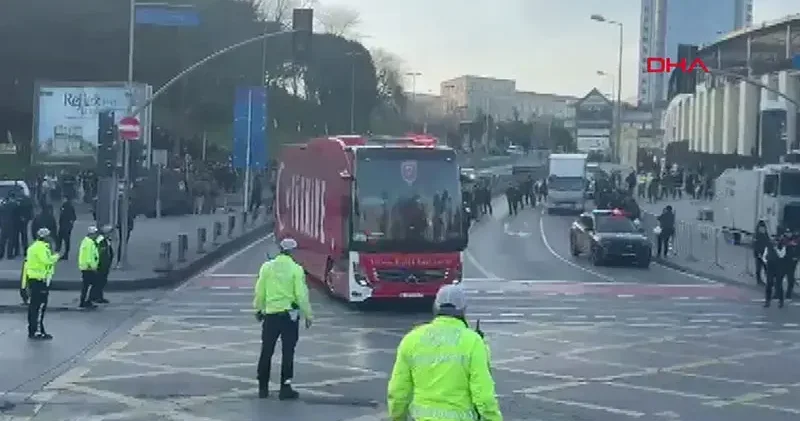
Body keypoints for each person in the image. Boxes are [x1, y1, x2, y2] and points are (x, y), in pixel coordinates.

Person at [387, 284, 503, 421]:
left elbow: (398, 391)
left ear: (435, 307)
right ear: (463, 310)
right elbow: (484, 396)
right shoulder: (473, 342)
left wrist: (397, 417)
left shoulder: (411, 339)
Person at [253, 238, 313, 400]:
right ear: (293, 251)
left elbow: (260, 292)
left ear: (280, 249)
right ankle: (285, 388)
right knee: (288, 352)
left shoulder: (267, 267)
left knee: (266, 351)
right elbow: (301, 295)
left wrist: (258, 309)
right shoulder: (296, 269)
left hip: (270, 316)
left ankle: (262, 388)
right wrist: (308, 315)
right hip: (289, 317)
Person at [24, 228, 60, 340]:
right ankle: (37, 331)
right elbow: (46, 261)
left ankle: (33, 329)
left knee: (34, 306)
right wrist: (56, 257)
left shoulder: (33, 246)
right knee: (39, 306)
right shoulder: (41, 248)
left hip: (34, 279)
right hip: (40, 280)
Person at [77, 226, 100, 309]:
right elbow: (89, 256)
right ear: (91, 234)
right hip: (88, 268)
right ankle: (86, 301)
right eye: (95, 234)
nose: (96, 235)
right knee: (90, 285)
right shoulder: (89, 243)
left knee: (87, 285)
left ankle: (85, 301)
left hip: (86, 267)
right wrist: (93, 267)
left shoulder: (86, 241)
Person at [90, 225, 114, 304]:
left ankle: (97, 296)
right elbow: (100, 253)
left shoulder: (106, 240)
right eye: (110, 232)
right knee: (99, 281)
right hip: (101, 265)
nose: (111, 234)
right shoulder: (101, 240)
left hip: (105, 264)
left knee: (101, 281)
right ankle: (95, 297)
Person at [762, 234, 786, 308]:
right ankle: (767, 301)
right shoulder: (768, 246)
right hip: (770, 266)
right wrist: (766, 261)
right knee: (769, 284)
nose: (773, 241)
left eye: (775, 240)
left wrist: (776, 249)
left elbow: (782, 255)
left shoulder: (782, 246)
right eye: (772, 240)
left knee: (778, 284)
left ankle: (781, 301)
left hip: (778, 267)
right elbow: (764, 256)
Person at [753, 221, 769, 286]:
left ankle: (768, 280)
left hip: (765, 254)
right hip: (758, 254)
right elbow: (755, 245)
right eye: (761, 228)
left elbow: (767, 242)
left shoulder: (765, 234)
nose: (762, 229)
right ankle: (758, 280)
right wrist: (758, 253)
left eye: (763, 228)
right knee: (758, 268)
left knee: (766, 268)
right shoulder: (757, 235)